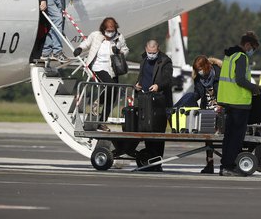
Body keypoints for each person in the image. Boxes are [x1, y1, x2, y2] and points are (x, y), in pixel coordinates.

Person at [216, 31, 261, 177]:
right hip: (239, 102)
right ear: (247, 45)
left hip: (229, 101)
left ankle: (225, 165)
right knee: (236, 138)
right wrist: (254, 88)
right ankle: (229, 165)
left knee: (228, 137)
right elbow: (240, 79)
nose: (252, 51)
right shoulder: (241, 57)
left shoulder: (230, 55)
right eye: (252, 48)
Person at [73, 17, 129, 131]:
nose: (110, 32)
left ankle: (101, 121)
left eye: (112, 30)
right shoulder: (96, 35)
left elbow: (126, 50)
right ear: (103, 29)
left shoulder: (119, 38)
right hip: (97, 67)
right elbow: (86, 43)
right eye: (108, 30)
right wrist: (79, 48)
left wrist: (120, 52)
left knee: (113, 95)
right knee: (110, 86)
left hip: (112, 68)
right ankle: (98, 101)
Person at [175, 55, 222, 174]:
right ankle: (209, 164)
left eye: (201, 68)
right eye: (197, 69)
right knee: (208, 139)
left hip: (221, 108)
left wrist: (222, 105)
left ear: (207, 65)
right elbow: (197, 93)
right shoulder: (198, 78)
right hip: (207, 108)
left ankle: (226, 163)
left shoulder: (219, 73)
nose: (199, 71)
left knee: (223, 137)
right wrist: (189, 100)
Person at [133, 40, 173, 169]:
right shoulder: (143, 59)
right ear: (146, 49)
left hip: (160, 102)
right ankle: (149, 160)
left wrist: (158, 85)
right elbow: (142, 76)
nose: (151, 55)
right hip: (145, 101)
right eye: (149, 52)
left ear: (158, 49)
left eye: (154, 52)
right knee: (147, 132)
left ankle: (157, 163)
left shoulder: (165, 61)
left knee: (158, 134)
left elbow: (167, 79)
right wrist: (137, 85)